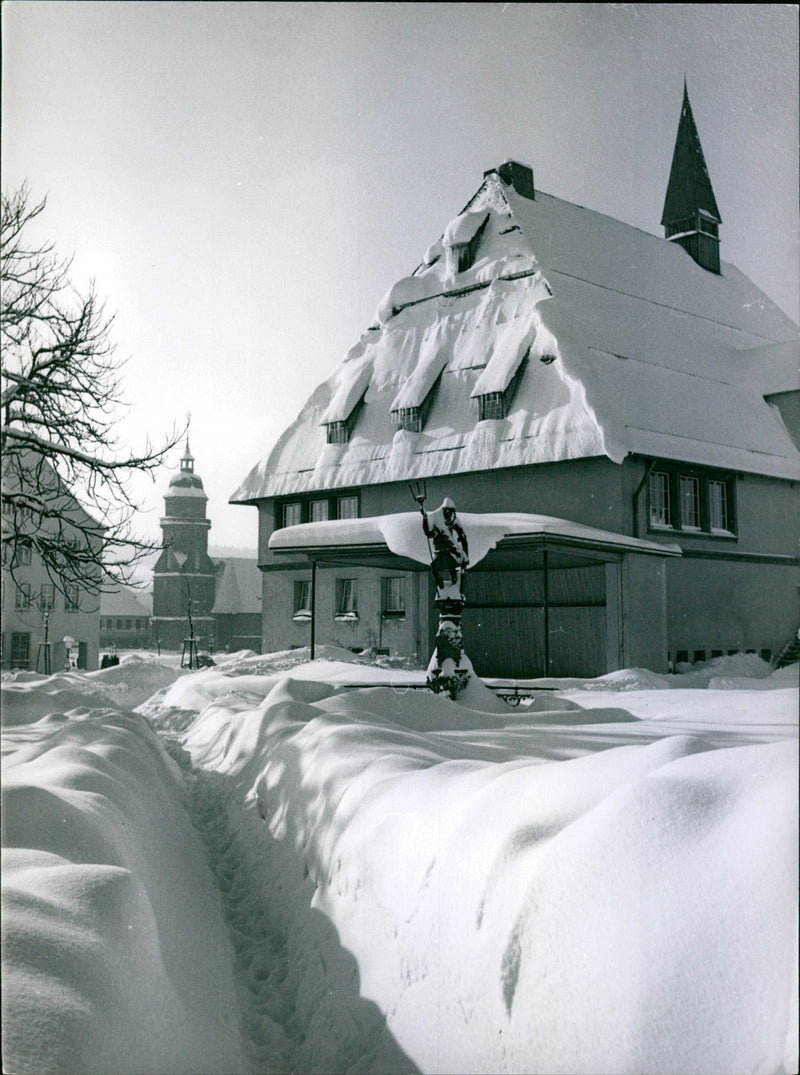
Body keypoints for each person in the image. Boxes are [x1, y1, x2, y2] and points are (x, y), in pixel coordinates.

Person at [422, 497, 469, 597]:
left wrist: (466, 554)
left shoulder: (453, 519)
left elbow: (463, 535)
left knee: (456, 565)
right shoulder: (435, 517)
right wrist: (424, 517)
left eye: (451, 512)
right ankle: (440, 585)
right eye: (448, 511)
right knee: (433, 567)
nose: (450, 514)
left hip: (451, 551)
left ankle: (456, 583)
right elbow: (429, 533)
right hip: (439, 552)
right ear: (444, 510)